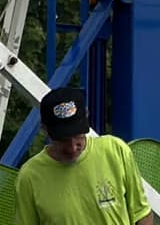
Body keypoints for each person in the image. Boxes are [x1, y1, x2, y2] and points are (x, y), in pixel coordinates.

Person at [15, 87, 151, 225]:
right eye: (63, 139)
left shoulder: (115, 150)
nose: (72, 147)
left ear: (86, 116)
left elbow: (141, 214)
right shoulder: (30, 176)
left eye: (77, 135)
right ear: (45, 130)